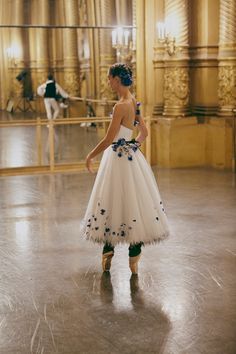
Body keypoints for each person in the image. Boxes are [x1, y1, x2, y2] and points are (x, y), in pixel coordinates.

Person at [81, 63, 169, 274]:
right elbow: (144, 133)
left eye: (109, 78)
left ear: (117, 79)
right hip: (131, 158)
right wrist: (132, 146)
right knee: (132, 201)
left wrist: (90, 155)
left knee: (111, 199)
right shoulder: (134, 102)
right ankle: (134, 252)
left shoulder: (120, 106)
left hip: (115, 158)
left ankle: (108, 249)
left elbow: (109, 139)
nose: (108, 82)